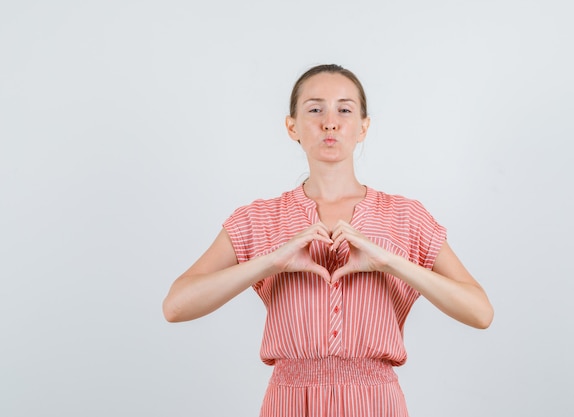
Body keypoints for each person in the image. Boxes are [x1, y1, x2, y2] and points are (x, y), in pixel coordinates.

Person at [162, 64, 494, 416]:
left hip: (376, 403)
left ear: (363, 127)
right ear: (292, 126)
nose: (330, 122)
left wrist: (390, 262)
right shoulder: (258, 218)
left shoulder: (406, 217)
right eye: (315, 109)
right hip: (288, 402)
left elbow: (480, 312)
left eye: (345, 109)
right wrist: (271, 262)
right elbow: (176, 305)